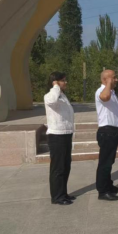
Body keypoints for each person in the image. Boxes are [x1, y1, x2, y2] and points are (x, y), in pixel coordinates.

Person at [44, 72, 75, 205]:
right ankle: (57, 197)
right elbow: (52, 100)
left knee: (65, 166)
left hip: (66, 134)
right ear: (55, 82)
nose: (65, 82)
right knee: (58, 168)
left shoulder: (62, 96)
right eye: (63, 80)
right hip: (56, 136)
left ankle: (63, 193)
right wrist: (56, 86)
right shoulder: (50, 95)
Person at [95, 70, 118, 201]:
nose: (116, 80)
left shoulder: (111, 92)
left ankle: (108, 185)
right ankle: (103, 191)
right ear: (105, 79)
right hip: (107, 132)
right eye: (113, 78)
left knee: (109, 161)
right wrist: (108, 83)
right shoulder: (101, 91)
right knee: (105, 162)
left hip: (113, 131)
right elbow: (104, 97)